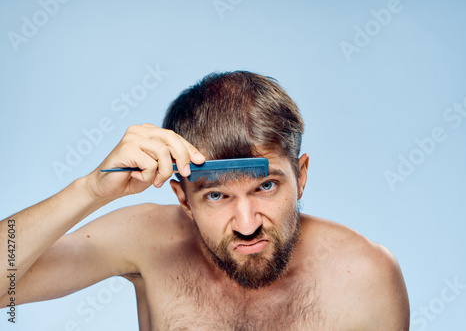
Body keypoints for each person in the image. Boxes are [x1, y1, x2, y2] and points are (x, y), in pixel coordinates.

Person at [0, 71, 409, 330]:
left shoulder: (365, 276)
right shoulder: (147, 240)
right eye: (216, 195)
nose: (247, 223)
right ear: (183, 197)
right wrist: (89, 190)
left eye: (265, 187)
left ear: (300, 176)